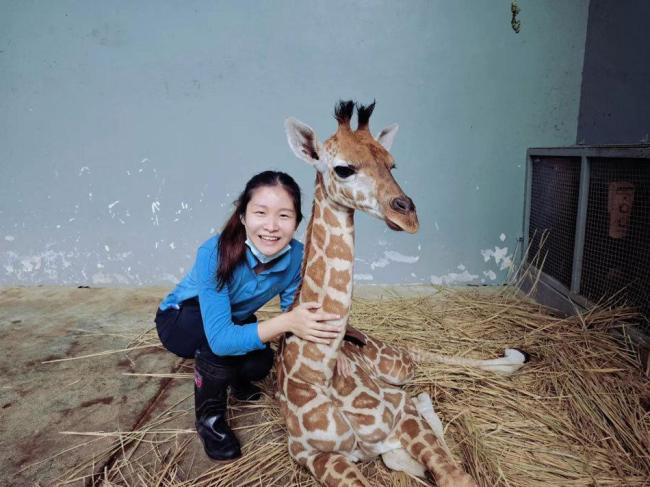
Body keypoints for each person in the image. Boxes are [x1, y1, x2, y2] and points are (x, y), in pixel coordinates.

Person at [154, 170, 342, 462]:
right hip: (181, 320)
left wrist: (309, 324)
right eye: (260, 213)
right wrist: (287, 323)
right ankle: (210, 421)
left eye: (284, 216)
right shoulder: (213, 252)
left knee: (260, 362)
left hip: (231, 319)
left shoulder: (296, 257)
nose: (271, 226)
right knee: (219, 345)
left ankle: (232, 376)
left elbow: (292, 309)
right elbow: (223, 338)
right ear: (242, 216)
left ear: (296, 223)